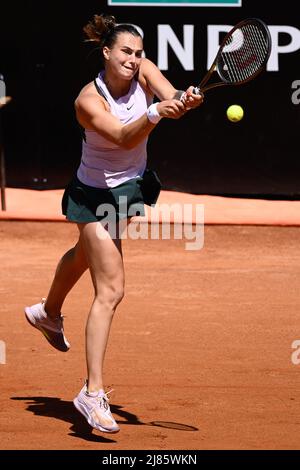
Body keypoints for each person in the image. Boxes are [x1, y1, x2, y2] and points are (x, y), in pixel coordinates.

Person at [24, 13, 203, 434]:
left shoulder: (143, 72)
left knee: (84, 256)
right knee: (112, 288)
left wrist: (185, 99)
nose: (133, 59)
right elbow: (124, 136)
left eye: (138, 53)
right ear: (106, 53)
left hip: (127, 187)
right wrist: (159, 112)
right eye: (125, 51)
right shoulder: (88, 101)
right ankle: (92, 391)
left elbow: (170, 97)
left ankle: (47, 312)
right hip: (94, 196)